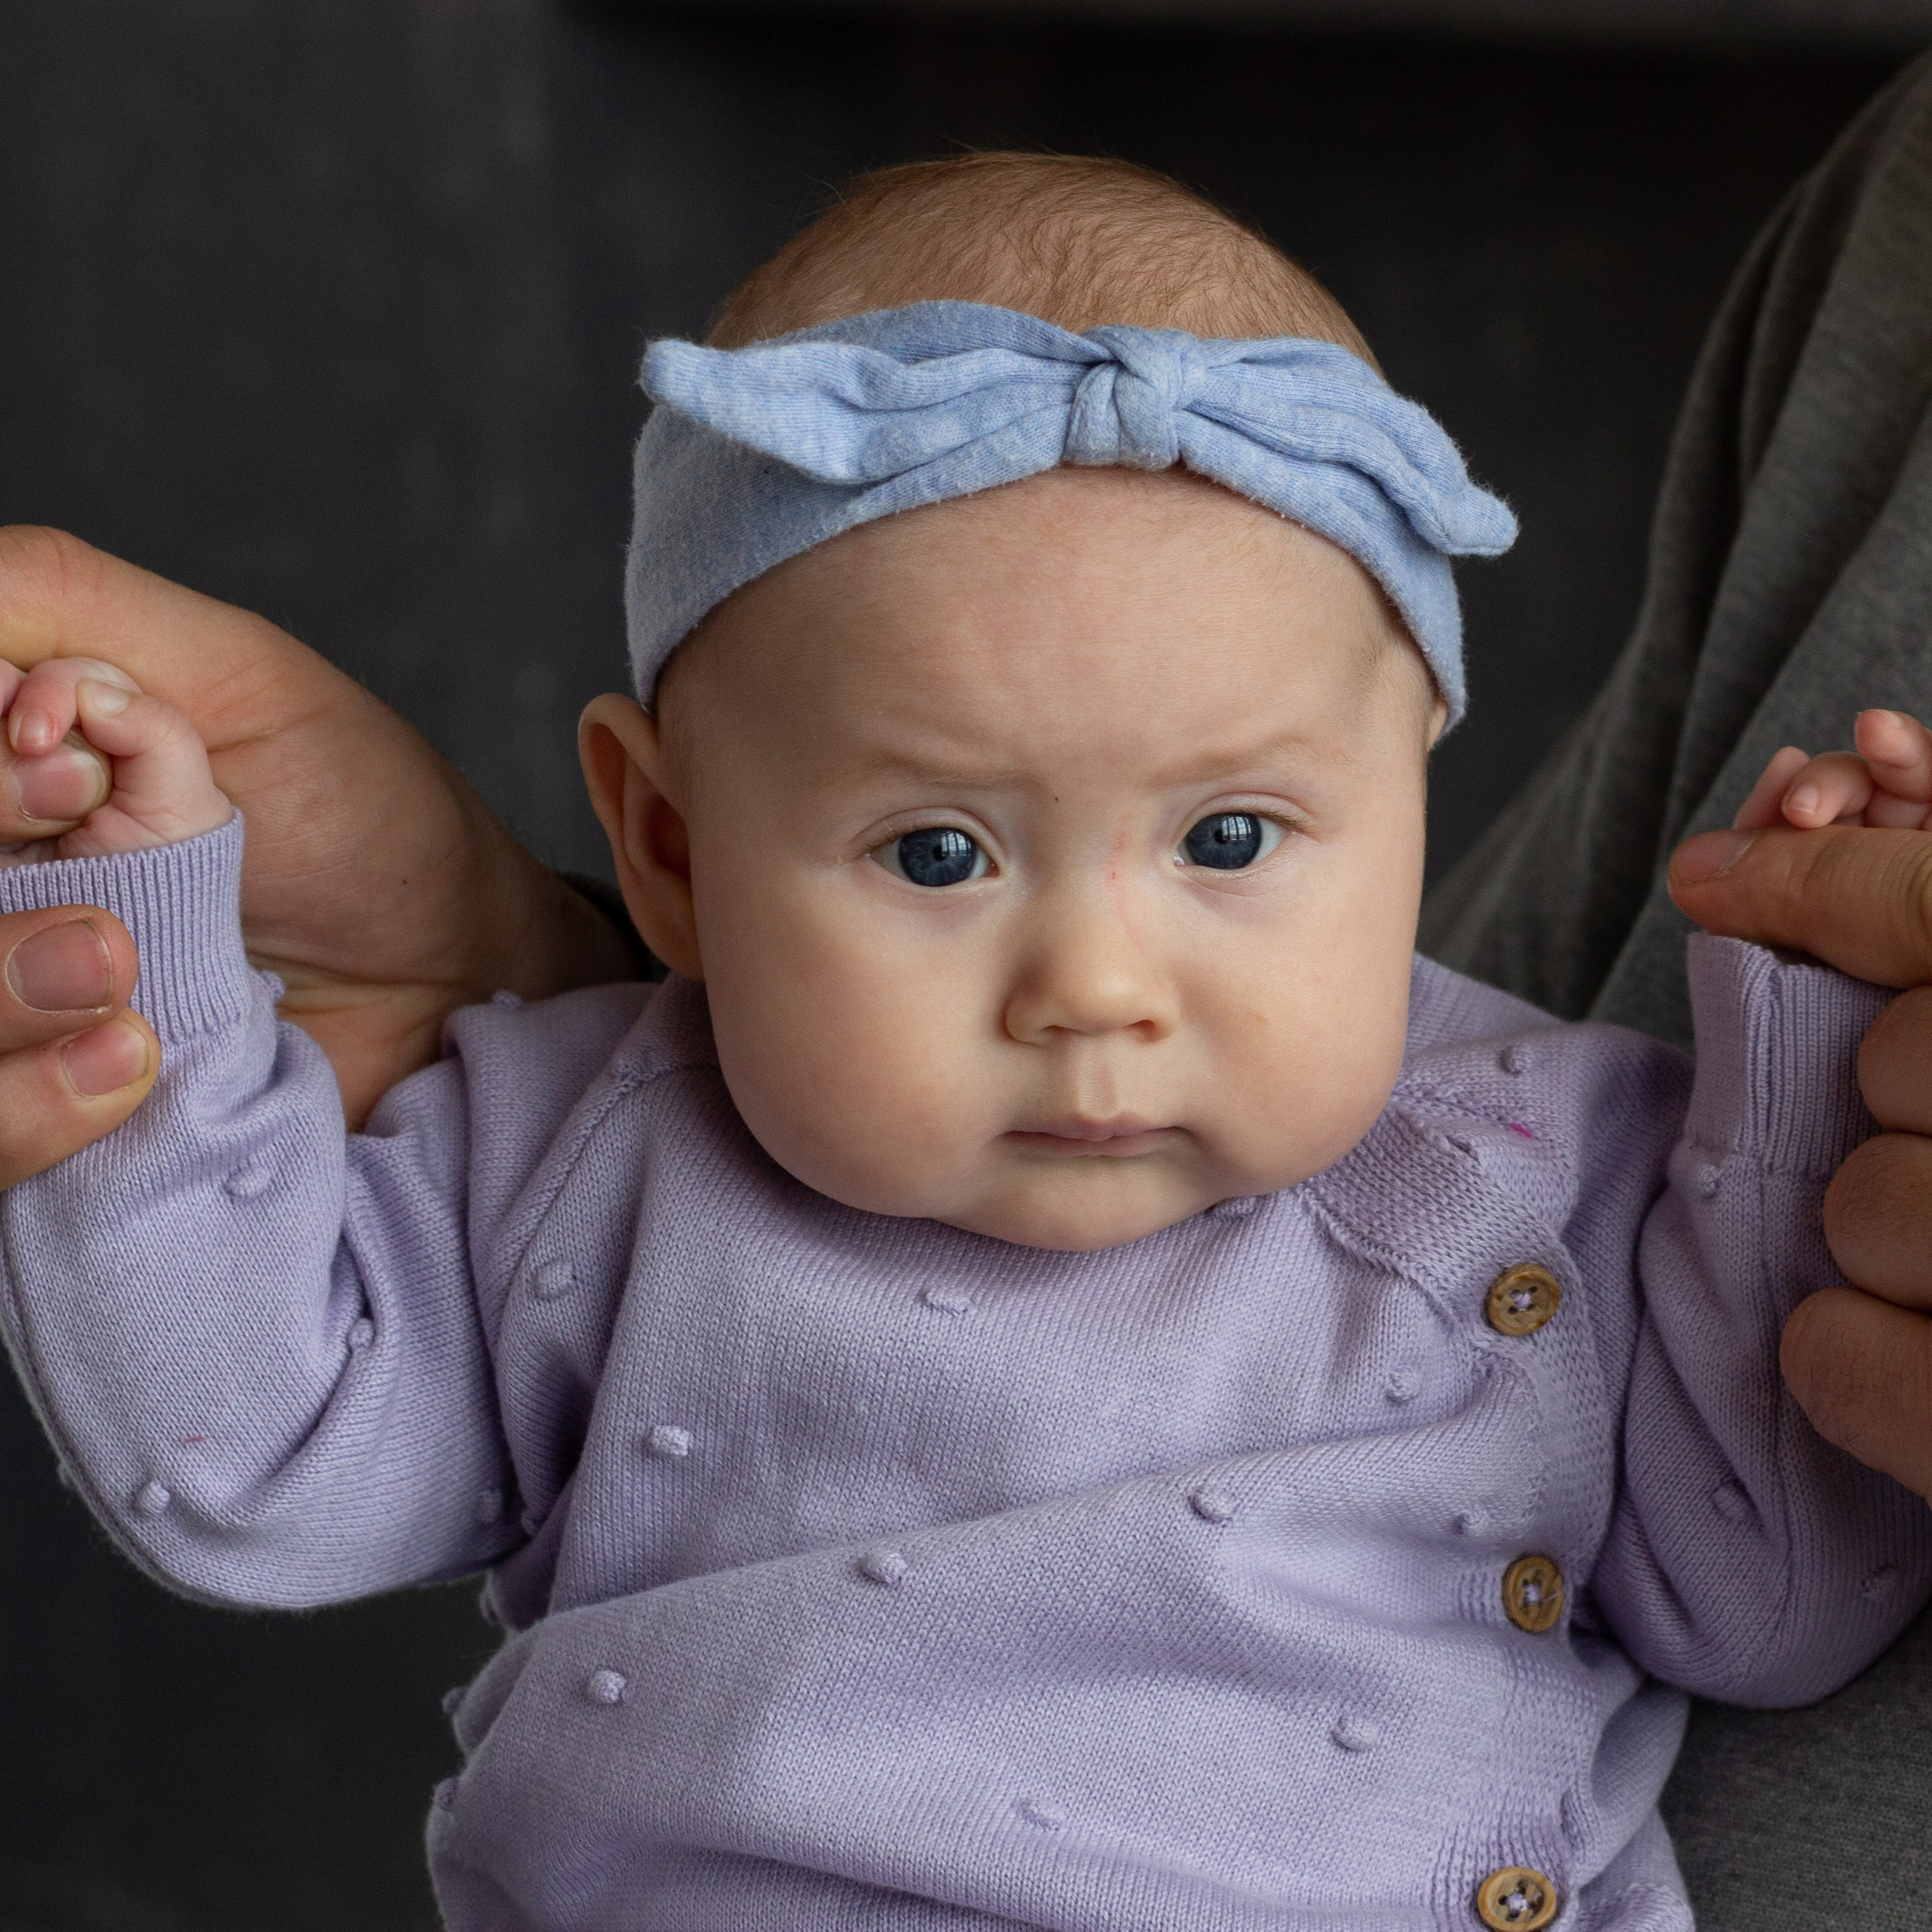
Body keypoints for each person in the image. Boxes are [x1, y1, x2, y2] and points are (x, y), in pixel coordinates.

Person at [2, 150, 1930, 1932]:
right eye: (937, 851)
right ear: (667, 844)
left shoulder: (1552, 1167)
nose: (1094, 981)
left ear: (1409, 789)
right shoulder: (584, 1141)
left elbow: (1765, 1599)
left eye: (1229, 838)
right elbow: (249, 1464)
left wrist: (1808, 1025)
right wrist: (143, 953)